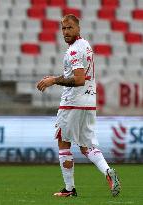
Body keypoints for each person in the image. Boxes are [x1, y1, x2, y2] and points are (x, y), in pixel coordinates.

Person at [37, 14, 121, 197]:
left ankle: (69, 189)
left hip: (72, 103)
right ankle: (107, 171)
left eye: (70, 28)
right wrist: (56, 78)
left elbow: (79, 79)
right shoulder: (86, 46)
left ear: (78, 29)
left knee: (63, 142)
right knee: (86, 146)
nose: (66, 32)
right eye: (63, 28)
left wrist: (53, 80)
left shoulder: (74, 50)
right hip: (89, 103)